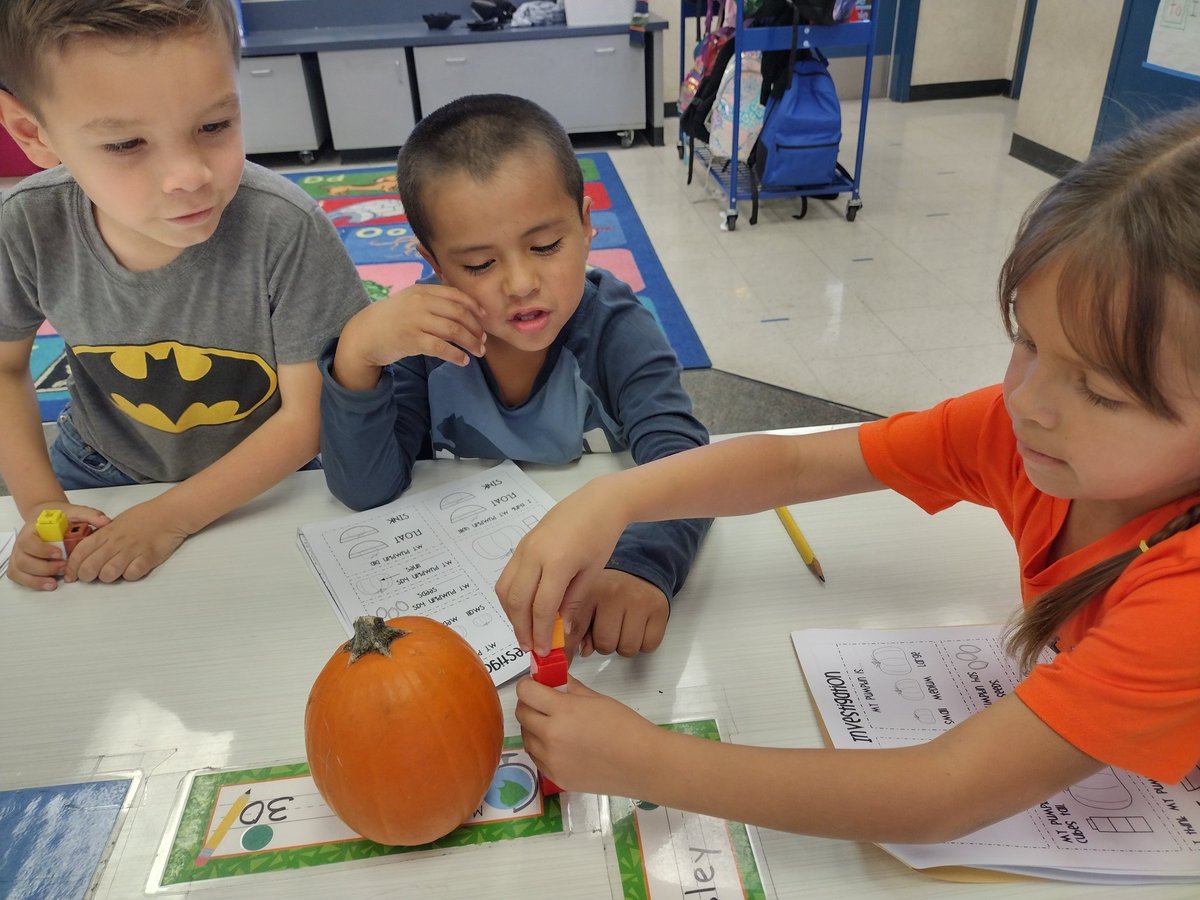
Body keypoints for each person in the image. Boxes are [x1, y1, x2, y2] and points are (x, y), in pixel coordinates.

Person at [496, 107, 1200, 842]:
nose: (1027, 402)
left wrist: (646, 762)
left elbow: (939, 796)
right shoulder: (1019, 432)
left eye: (1101, 392)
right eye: (1027, 340)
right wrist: (614, 498)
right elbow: (797, 461)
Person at [319, 93, 711, 659]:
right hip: (467, 606)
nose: (521, 282)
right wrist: (357, 356)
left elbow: (683, 459)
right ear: (433, 260)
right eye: (479, 265)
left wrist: (643, 567)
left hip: (590, 574)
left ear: (585, 226)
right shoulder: (426, 336)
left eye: (547, 246)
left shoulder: (614, 329)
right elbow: (366, 489)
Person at [0, 0, 368, 591]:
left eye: (214, 126)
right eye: (126, 144)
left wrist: (169, 519)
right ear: (32, 134)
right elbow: (5, 371)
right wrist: (44, 513)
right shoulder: (26, 226)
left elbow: (308, 418)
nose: (189, 175)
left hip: (268, 479)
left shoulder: (285, 228)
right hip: (99, 465)